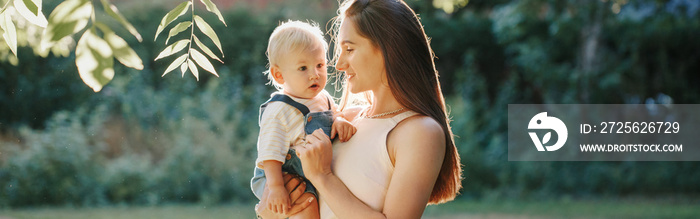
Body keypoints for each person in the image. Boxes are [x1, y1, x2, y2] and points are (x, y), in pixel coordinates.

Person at [257, 0, 463, 218]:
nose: (338, 64)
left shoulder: (419, 132)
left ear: (387, 49)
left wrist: (323, 177)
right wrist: (266, 211)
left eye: (349, 49)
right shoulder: (343, 120)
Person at [250, 20, 357, 219]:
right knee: (306, 206)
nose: (314, 74)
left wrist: (340, 121)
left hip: (309, 169)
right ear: (279, 75)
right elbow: (270, 153)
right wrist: (275, 188)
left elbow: (334, 113)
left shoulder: (322, 97)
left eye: (319, 65)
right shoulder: (279, 110)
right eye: (303, 68)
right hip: (283, 174)